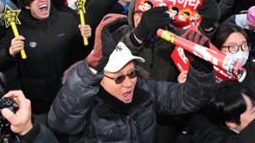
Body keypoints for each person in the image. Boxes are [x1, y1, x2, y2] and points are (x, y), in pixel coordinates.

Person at [48, 14, 215, 142]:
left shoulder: (145, 90)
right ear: (100, 78)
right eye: (118, 78)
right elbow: (60, 122)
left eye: (132, 73)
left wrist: (200, 68)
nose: (129, 83)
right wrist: (91, 67)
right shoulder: (86, 107)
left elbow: (188, 99)